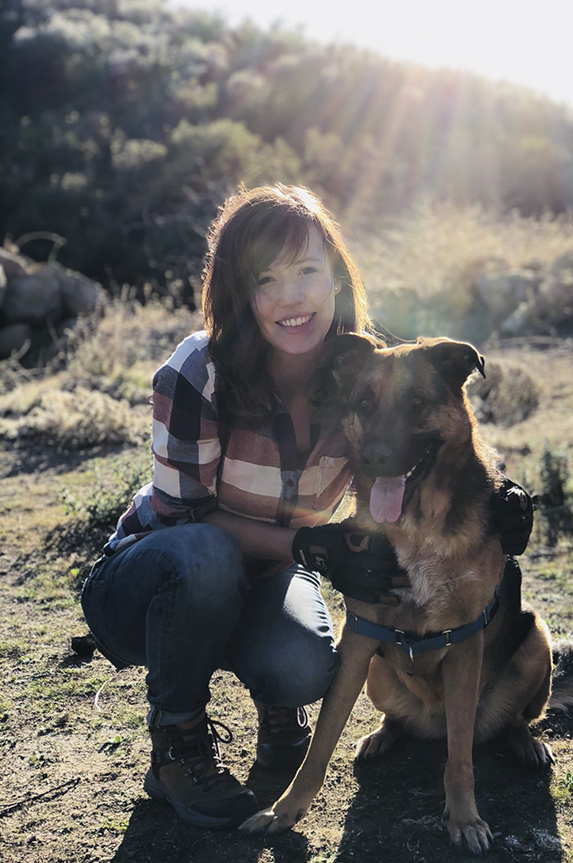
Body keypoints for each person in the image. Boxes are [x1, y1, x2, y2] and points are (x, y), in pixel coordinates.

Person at [81, 185, 404, 830]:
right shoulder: (199, 371)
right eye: (266, 279)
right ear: (237, 293)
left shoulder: (364, 372)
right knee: (208, 556)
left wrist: (501, 491)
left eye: (308, 271)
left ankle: (279, 709)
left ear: (336, 276)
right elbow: (184, 519)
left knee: (305, 663)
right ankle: (177, 743)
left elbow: (422, 440)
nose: (292, 298)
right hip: (152, 579)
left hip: (266, 580)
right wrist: (310, 548)